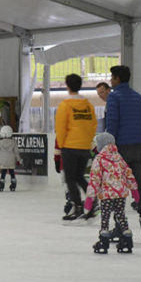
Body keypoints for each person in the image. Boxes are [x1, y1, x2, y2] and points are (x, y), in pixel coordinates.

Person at [105, 66, 141, 241]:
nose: (110, 80)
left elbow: (112, 124)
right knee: (139, 185)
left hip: (121, 148)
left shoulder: (114, 97)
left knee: (118, 189)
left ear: (117, 79)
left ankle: (120, 227)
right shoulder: (138, 98)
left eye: (112, 77)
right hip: (139, 146)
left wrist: (109, 147)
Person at [83, 132, 138, 254]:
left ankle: (104, 241)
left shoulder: (99, 159)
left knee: (105, 217)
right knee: (121, 215)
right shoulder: (119, 157)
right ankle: (127, 239)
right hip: (120, 194)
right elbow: (128, 173)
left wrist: (90, 198)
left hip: (107, 195)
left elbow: (94, 179)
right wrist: (134, 190)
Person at [55, 73, 98, 220]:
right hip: (84, 147)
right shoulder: (88, 106)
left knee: (71, 179)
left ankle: (78, 207)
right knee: (80, 177)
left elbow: (60, 128)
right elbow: (93, 125)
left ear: (67, 86)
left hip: (70, 146)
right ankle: (92, 204)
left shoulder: (65, 106)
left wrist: (61, 146)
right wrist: (87, 141)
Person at [0, 125, 20, 192]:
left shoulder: (0, 142)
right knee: (12, 173)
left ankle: (1, 185)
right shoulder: (14, 142)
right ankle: (13, 185)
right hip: (11, 162)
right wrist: (18, 160)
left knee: (3, 173)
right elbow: (16, 152)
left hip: (3, 162)